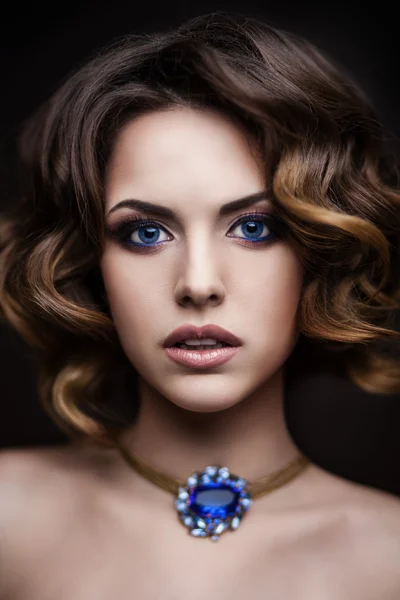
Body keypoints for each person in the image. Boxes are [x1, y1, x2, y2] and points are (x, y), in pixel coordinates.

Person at [0, 10, 399, 599]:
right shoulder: (10, 518)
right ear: (89, 263)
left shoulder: (389, 559)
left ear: (321, 250)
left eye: (255, 228)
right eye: (145, 233)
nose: (199, 283)